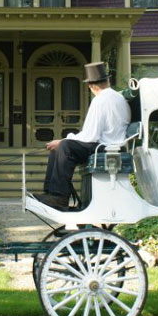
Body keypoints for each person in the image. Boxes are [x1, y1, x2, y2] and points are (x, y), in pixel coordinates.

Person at [35, 62, 130, 210]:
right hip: (111, 145)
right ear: (107, 81)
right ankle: (51, 194)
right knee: (59, 148)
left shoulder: (100, 100)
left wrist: (63, 140)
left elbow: (90, 135)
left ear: (91, 86)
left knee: (65, 146)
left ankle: (58, 196)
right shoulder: (118, 97)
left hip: (105, 147)